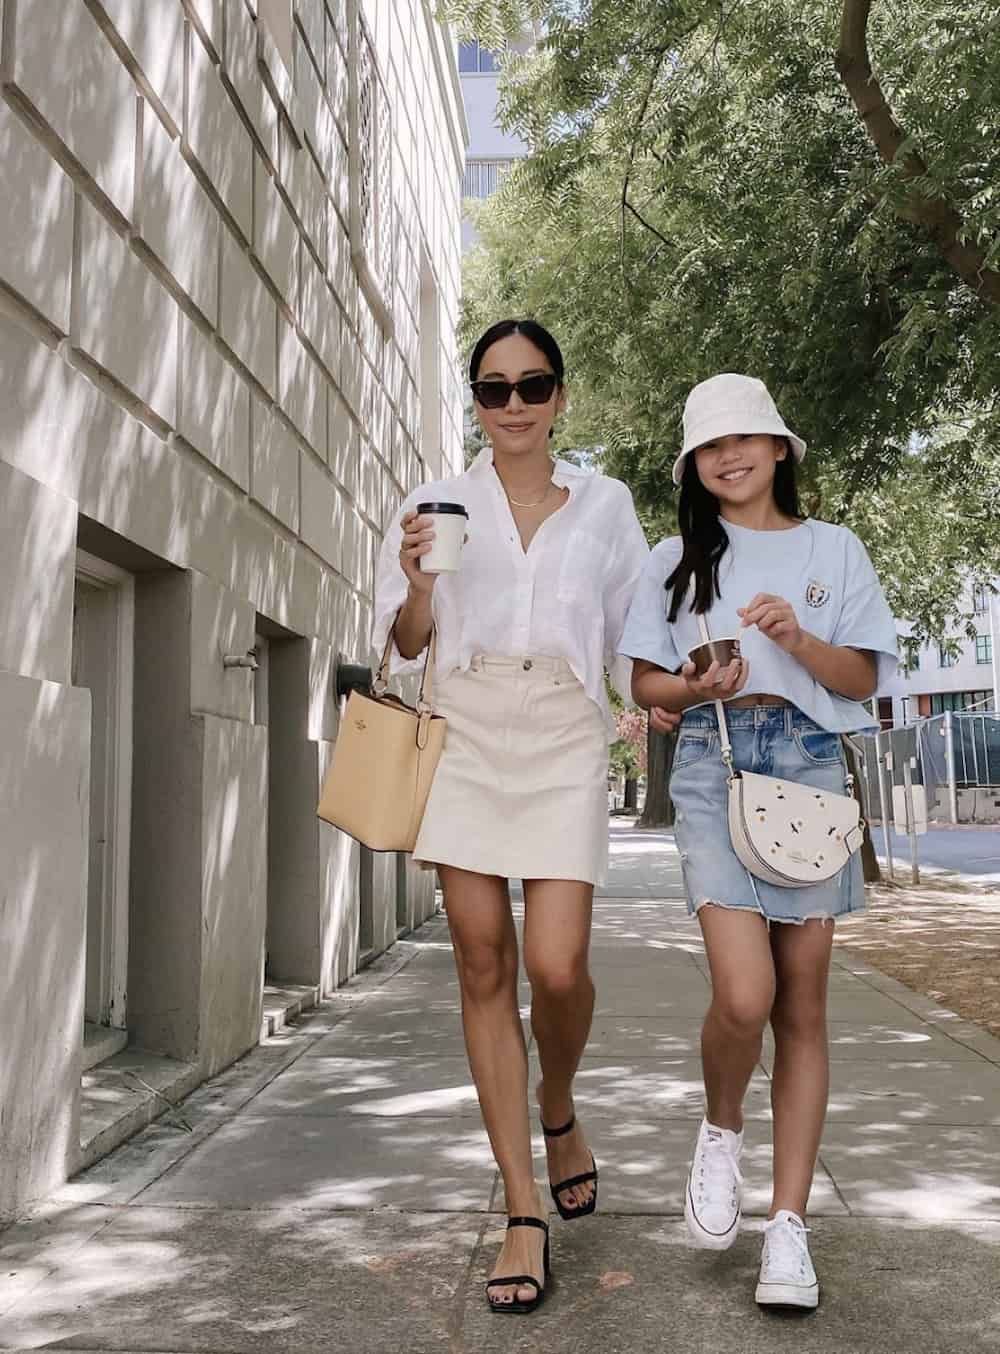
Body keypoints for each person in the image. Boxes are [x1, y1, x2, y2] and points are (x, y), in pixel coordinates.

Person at [372, 319, 679, 1315]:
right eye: (495, 389)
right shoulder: (434, 500)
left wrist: (677, 686)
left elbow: (638, 631)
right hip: (463, 722)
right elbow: (408, 642)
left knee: (556, 966)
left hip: (560, 727)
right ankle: (520, 1209)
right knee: (478, 959)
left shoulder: (607, 505)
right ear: (475, 401)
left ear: (559, 396)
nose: (514, 405)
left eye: (533, 385)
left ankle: (557, 1101)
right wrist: (419, 584)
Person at [619, 373, 897, 1311]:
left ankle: (789, 1230)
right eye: (709, 446)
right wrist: (695, 690)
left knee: (804, 1009)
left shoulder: (835, 549)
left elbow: (859, 679)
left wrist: (797, 637)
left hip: (813, 766)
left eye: (745, 438)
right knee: (745, 994)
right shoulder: (676, 556)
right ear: (696, 467)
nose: (728, 455)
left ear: (780, 448)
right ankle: (721, 1131)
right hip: (714, 762)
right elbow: (643, 686)